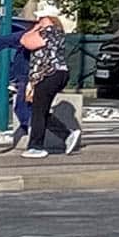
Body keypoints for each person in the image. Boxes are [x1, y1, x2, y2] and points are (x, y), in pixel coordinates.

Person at [21, 15, 81, 158]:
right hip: (58, 74)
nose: (38, 22)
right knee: (41, 110)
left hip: (49, 74)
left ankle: (36, 146)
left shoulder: (48, 32)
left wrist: (38, 27)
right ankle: (67, 135)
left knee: (38, 111)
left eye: (42, 20)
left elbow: (25, 41)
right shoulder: (57, 34)